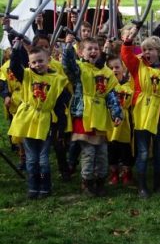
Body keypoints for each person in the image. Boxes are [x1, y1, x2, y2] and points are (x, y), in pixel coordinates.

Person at [122, 27, 160, 198]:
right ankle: (142, 186)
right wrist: (128, 41)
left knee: (158, 153)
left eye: (151, 49)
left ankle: (158, 185)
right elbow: (126, 56)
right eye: (145, 49)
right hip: (141, 116)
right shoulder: (138, 65)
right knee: (143, 152)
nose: (147, 52)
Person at [62, 34, 122, 196]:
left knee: (101, 152)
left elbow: (111, 94)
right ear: (81, 53)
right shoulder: (79, 69)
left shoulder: (106, 72)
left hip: (100, 116)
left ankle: (100, 181)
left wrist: (116, 112)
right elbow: (67, 65)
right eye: (89, 49)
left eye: (96, 48)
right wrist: (68, 47)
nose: (93, 51)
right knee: (89, 152)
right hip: (84, 116)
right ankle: (87, 183)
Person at [8, 42, 69, 199]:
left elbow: (60, 105)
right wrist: (16, 48)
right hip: (28, 121)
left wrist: (60, 126)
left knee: (42, 159)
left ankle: (45, 187)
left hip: (45, 121)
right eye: (34, 62)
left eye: (41, 61)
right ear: (29, 64)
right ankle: (33, 186)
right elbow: (14, 66)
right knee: (32, 159)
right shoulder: (27, 75)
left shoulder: (57, 79)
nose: (38, 64)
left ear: (48, 60)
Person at [106, 55, 135, 186]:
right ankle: (113, 173)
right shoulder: (107, 85)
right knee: (112, 148)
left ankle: (127, 173)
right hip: (110, 122)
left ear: (123, 68)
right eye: (110, 68)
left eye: (117, 67)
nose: (114, 70)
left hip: (126, 124)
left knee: (125, 149)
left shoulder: (130, 84)